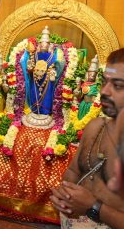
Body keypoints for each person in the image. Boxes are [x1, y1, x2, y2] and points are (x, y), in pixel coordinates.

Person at [50, 48, 124, 228]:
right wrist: (63, 196)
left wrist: (93, 207)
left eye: (118, 85)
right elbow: (75, 171)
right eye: (104, 81)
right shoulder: (95, 127)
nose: (104, 91)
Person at [21, 26, 65, 116]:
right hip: (35, 79)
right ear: (39, 44)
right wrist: (30, 69)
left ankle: (45, 111)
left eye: (46, 43)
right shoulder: (34, 55)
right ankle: (34, 109)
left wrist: (53, 72)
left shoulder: (53, 56)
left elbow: (58, 65)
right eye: (42, 43)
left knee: (47, 95)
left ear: (49, 45)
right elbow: (28, 65)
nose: (44, 45)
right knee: (34, 92)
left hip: (47, 81)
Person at [74, 55, 100, 120]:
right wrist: (78, 87)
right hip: (83, 105)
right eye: (90, 74)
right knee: (81, 120)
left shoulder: (97, 85)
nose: (91, 76)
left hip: (92, 106)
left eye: (93, 75)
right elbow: (80, 96)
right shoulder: (84, 84)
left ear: (96, 76)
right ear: (87, 75)